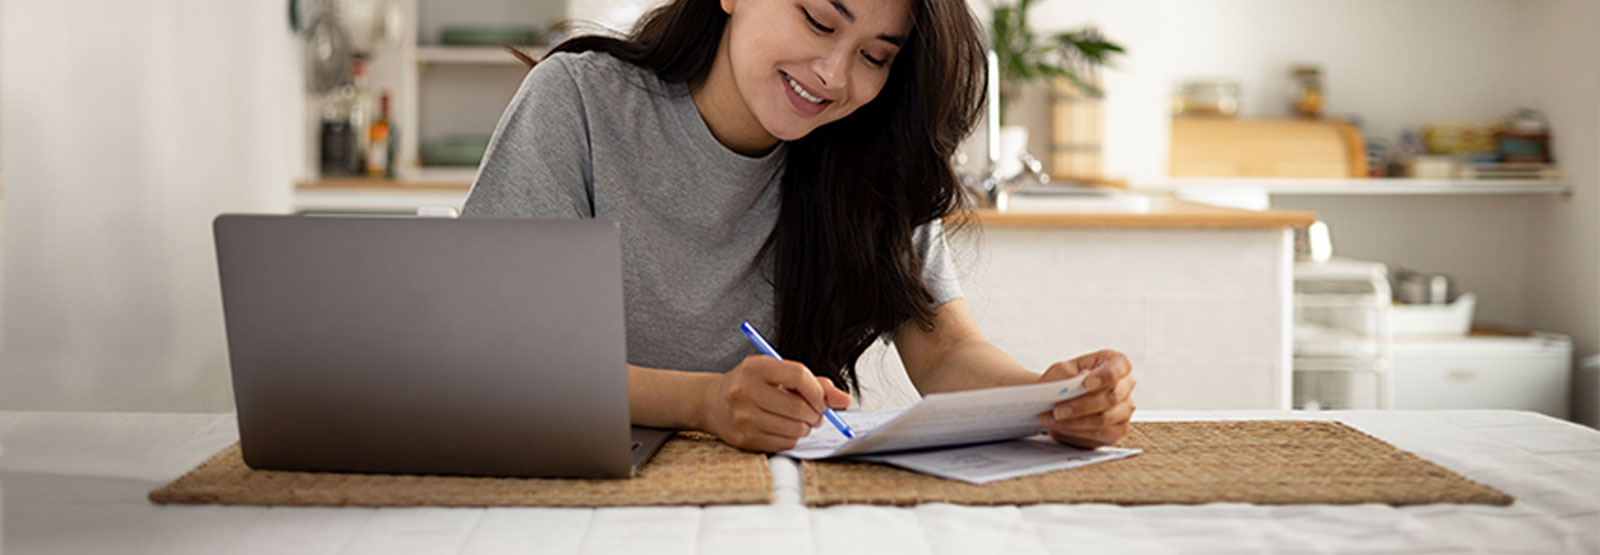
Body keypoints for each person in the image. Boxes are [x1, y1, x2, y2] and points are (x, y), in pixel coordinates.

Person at [463, 0, 1136, 452]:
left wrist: (1050, 398)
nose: (834, 76)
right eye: (819, 21)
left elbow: (946, 352)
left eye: (875, 55)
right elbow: (498, 355)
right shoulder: (578, 103)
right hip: (574, 482)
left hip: (772, 506)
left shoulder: (870, 155)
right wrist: (705, 402)